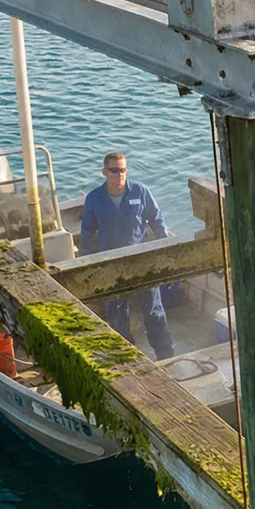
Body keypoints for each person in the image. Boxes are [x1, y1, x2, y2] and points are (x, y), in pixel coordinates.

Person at [80, 151, 175, 357]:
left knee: (153, 309)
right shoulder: (94, 198)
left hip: (141, 260)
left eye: (122, 170)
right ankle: (125, 356)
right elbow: (87, 233)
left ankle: (165, 353)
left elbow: (157, 221)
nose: (119, 174)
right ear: (104, 171)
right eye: (114, 170)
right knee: (117, 310)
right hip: (112, 263)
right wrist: (87, 265)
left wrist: (167, 251)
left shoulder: (140, 192)